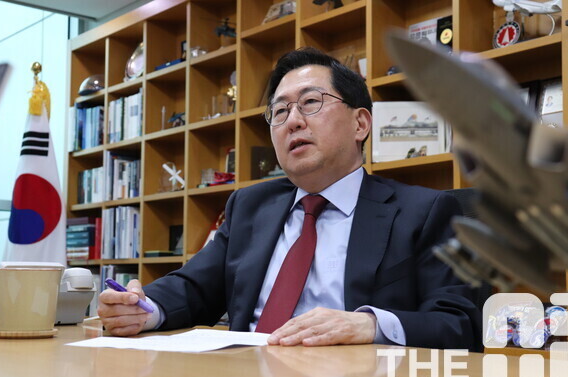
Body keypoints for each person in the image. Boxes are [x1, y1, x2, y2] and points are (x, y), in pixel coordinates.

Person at [98, 47, 482, 351]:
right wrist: (143, 310)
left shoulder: (423, 212)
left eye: (311, 102)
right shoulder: (250, 206)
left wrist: (369, 324)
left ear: (360, 123)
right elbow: (194, 287)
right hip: (242, 376)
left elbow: (459, 322)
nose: (293, 120)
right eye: (280, 111)